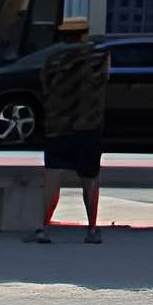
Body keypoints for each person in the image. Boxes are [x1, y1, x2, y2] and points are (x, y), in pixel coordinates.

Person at [30, 16, 110, 244]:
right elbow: (105, 80)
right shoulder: (100, 56)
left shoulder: (53, 57)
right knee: (90, 179)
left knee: (53, 178)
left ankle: (43, 228)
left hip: (58, 125)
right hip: (90, 125)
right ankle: (92, 229)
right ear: (85, 33)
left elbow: (44, 86)